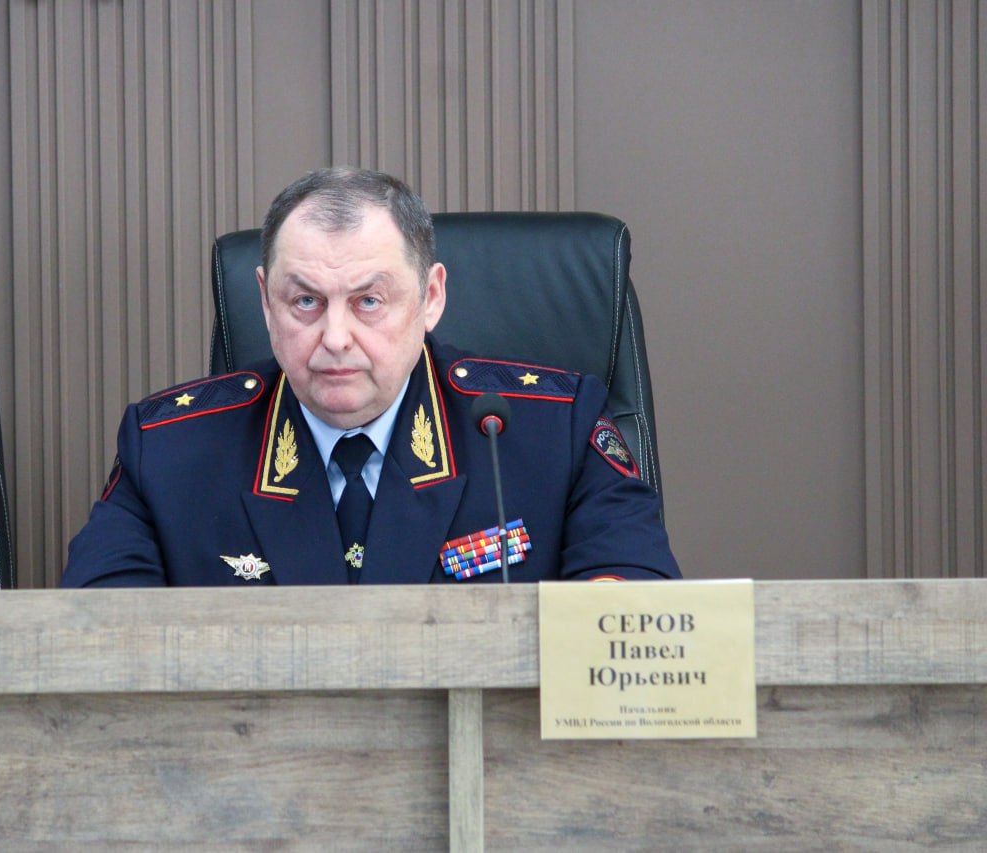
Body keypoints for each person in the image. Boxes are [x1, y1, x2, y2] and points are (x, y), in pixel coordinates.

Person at [63, 167, 680, 587]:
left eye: (369, 301)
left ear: (431, 298)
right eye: (306, 301)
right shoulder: (168, 453)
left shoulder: (554, 433)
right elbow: (95, 651)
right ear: (265, 303)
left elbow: (637, 629)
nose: (335, 337)